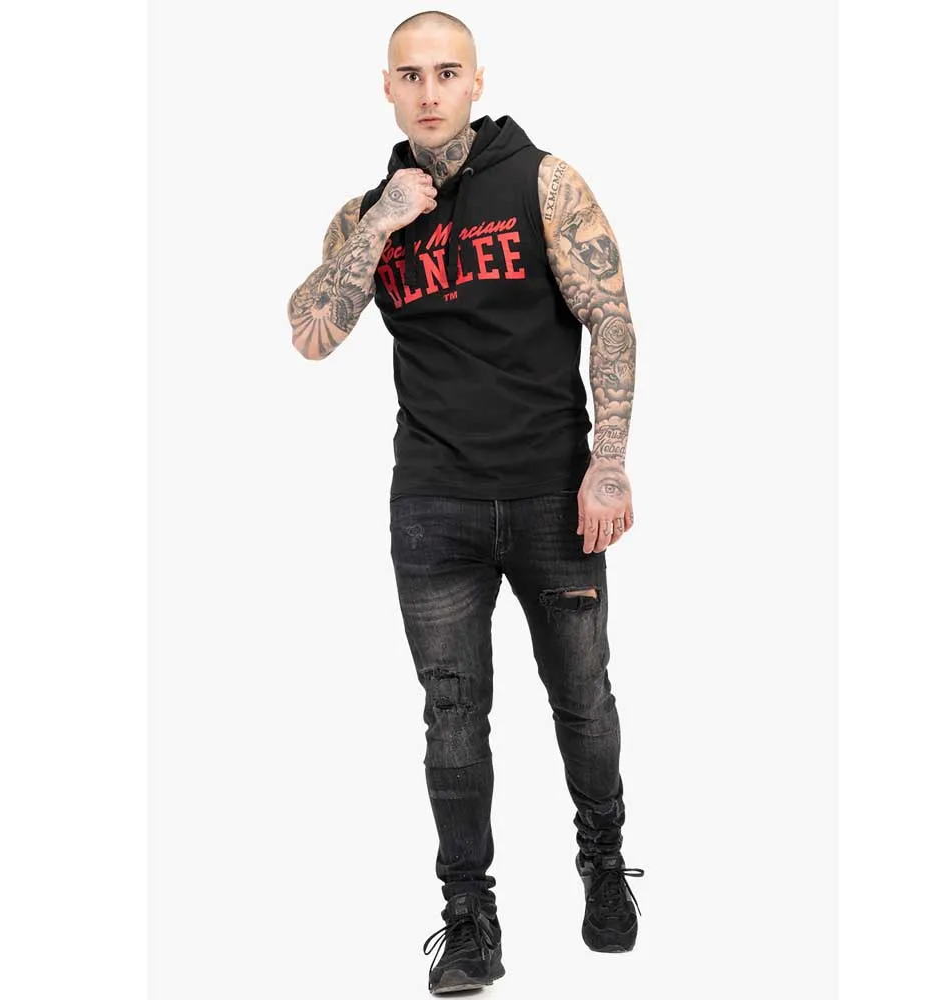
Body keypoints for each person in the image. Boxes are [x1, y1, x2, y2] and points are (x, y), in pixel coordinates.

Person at [287, 9, 644, 995]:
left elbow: (611, 321)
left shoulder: (542, 181)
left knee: (582, 696)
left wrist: (607, 463)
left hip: (552, 493)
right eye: (412, 76)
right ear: (387, 89)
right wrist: (380, 224)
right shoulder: (367, 213)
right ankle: (469, 918)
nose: (430, 92)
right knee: (451, 714)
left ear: (477, 82)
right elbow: (310, 334)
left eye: (448, 73)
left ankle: (603, 863)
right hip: (434, 503)